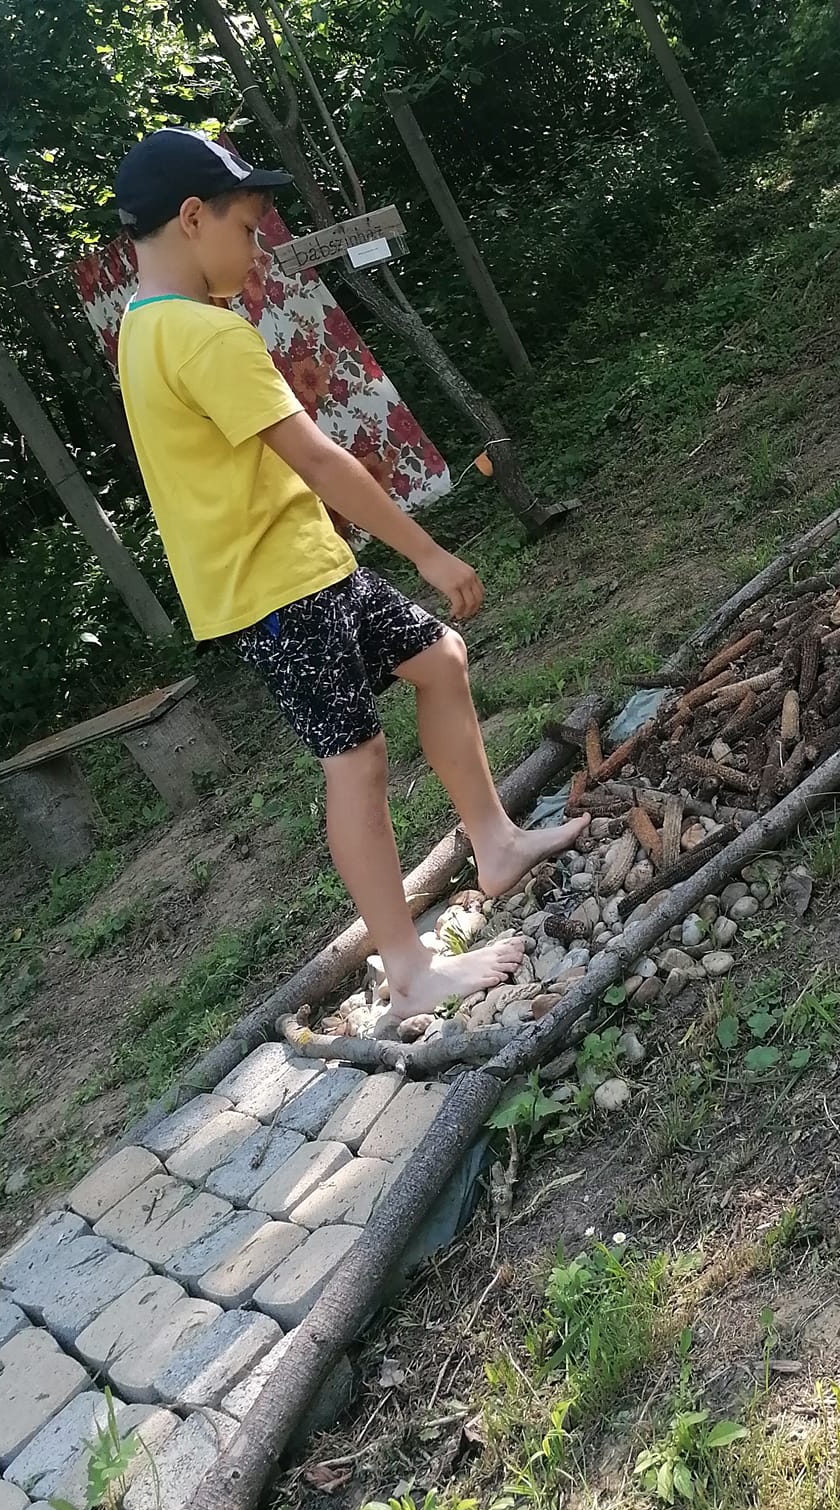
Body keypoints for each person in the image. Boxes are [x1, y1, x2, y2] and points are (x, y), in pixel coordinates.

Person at [112, 126, 586, 1018]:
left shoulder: (142, 329)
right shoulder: (204, 335)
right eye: (248, 229)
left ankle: (495, 844)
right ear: (191, 217)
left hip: (302, 571)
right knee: (357, 761)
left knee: (440, 659)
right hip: (278, 589)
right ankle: (408, 971)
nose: (257, 251)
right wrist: (427, 550)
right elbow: (319, 460)